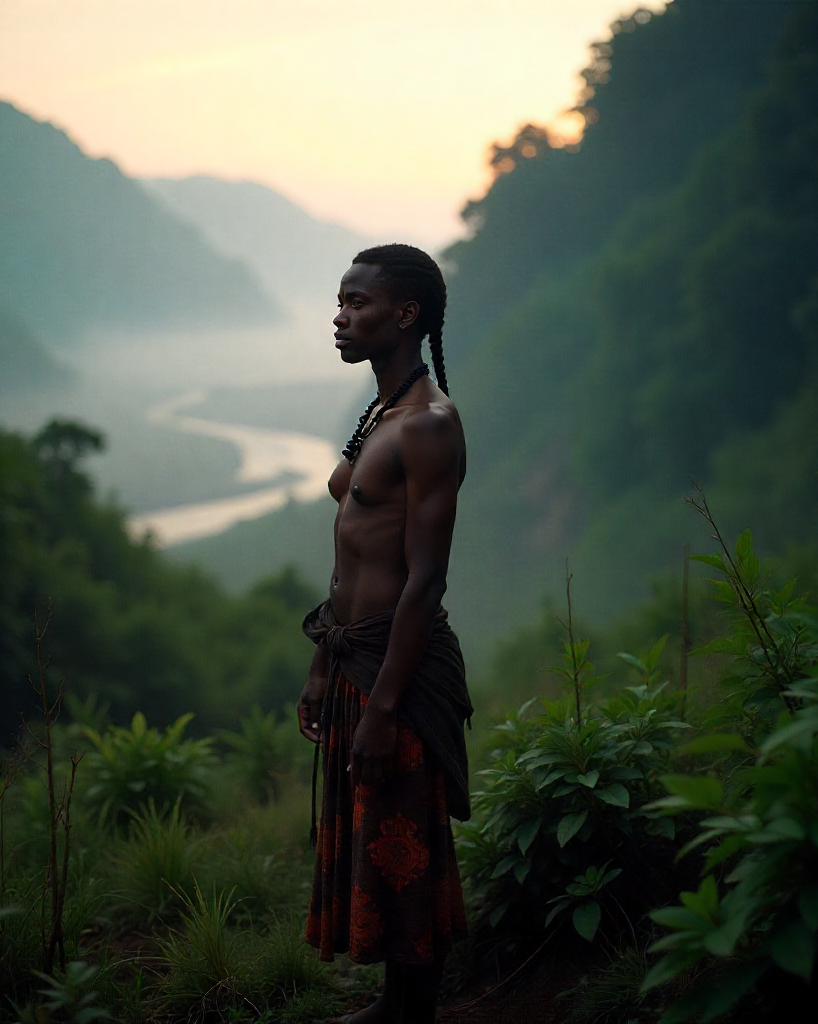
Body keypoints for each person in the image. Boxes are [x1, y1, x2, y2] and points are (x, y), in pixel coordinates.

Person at [297, 243, 473, 1024]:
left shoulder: (429, 424)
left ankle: (414, 1011)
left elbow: (424, 577)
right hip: (354, 653)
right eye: (340, 301)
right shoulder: (383, 410)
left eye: (357, 303)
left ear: (405, 314)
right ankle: (394, 1004)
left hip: (395, 666)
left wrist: (381, 705)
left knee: (405, 836)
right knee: (376, 833)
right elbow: (353, 551)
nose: (339, 317)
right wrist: (322, 666)